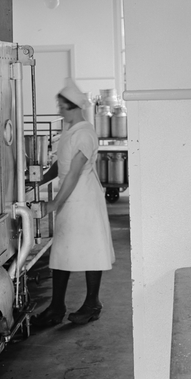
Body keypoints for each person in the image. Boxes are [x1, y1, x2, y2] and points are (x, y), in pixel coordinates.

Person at [32, 80, 116, 328]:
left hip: (84, 198)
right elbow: (62, 164)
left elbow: (74, 172)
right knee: (62, 251)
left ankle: (92, 304)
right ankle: (56, 307)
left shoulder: (85, 133)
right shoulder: (70, 130)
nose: (59, 110)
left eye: (61, 106)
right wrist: (40, 179)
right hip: (71, 198)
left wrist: (54, 203)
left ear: (73, 107)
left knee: (91, 250)